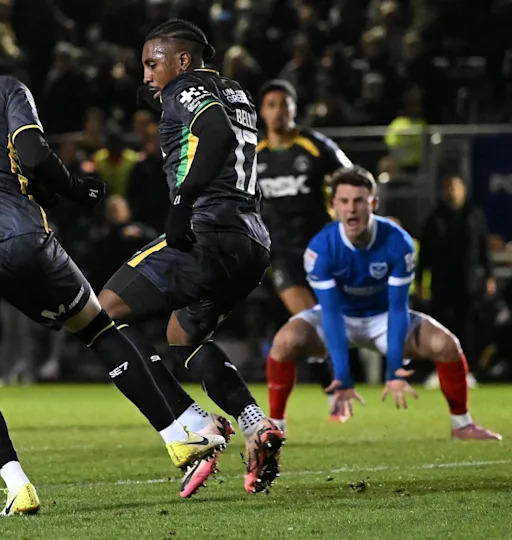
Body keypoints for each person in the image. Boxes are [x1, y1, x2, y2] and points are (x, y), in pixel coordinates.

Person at [0, 8, 224, 516]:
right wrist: (75, 190)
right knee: (97, 328)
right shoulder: (3, 88)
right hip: (21, 238)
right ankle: (178, 434)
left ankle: (17, 484)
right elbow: (33, 154)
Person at [99, 19, 283, 497]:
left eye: (152, 63)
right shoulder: (235, 91)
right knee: (183, 337)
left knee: (102, 314)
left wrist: (183, 201)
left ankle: (192, 423)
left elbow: (214, 132)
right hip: (251, 242)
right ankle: (254, 423)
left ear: (182, 61)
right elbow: (205, 119)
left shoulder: (186, 86)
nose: (146, 75)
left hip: (208, 230)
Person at [265, 166, 501, 441]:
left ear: (374, 203)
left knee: (446, 345)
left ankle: (462, 424)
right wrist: (342, 377)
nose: (351, 209)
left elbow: (398, 308)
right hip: (340, 316)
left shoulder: (398, 242)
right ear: (334, 206)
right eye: (344, 201)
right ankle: (275, 427)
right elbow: (330, 313)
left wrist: (394, 370)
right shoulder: (321, 249)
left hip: (384, 317)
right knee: (285, 341)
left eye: (359, 201)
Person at [255, 79, 358, 421]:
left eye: (284, 104)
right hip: (281, 252)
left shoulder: (314, 146)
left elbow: (353, 179)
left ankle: (338, 383)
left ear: (295, 109)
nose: (278, 111)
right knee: (308, 318)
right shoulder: (255, 155)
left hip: (322, 248)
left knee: (328, 321)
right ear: (262, 111)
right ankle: (334, 389)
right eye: (271, 105)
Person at [417, 175, 497, 367]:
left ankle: (467, 368)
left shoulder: (474, 216)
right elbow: (425, 253)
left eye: (455, 188)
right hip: (442, 281)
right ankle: (441, 368)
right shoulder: (434, 218)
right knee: (442, 326)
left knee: (467, 327)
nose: (452, 192)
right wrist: (420, 280)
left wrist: (489, 276)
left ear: (463, 191)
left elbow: (483, 248)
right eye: (449, 188)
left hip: (467, 281)